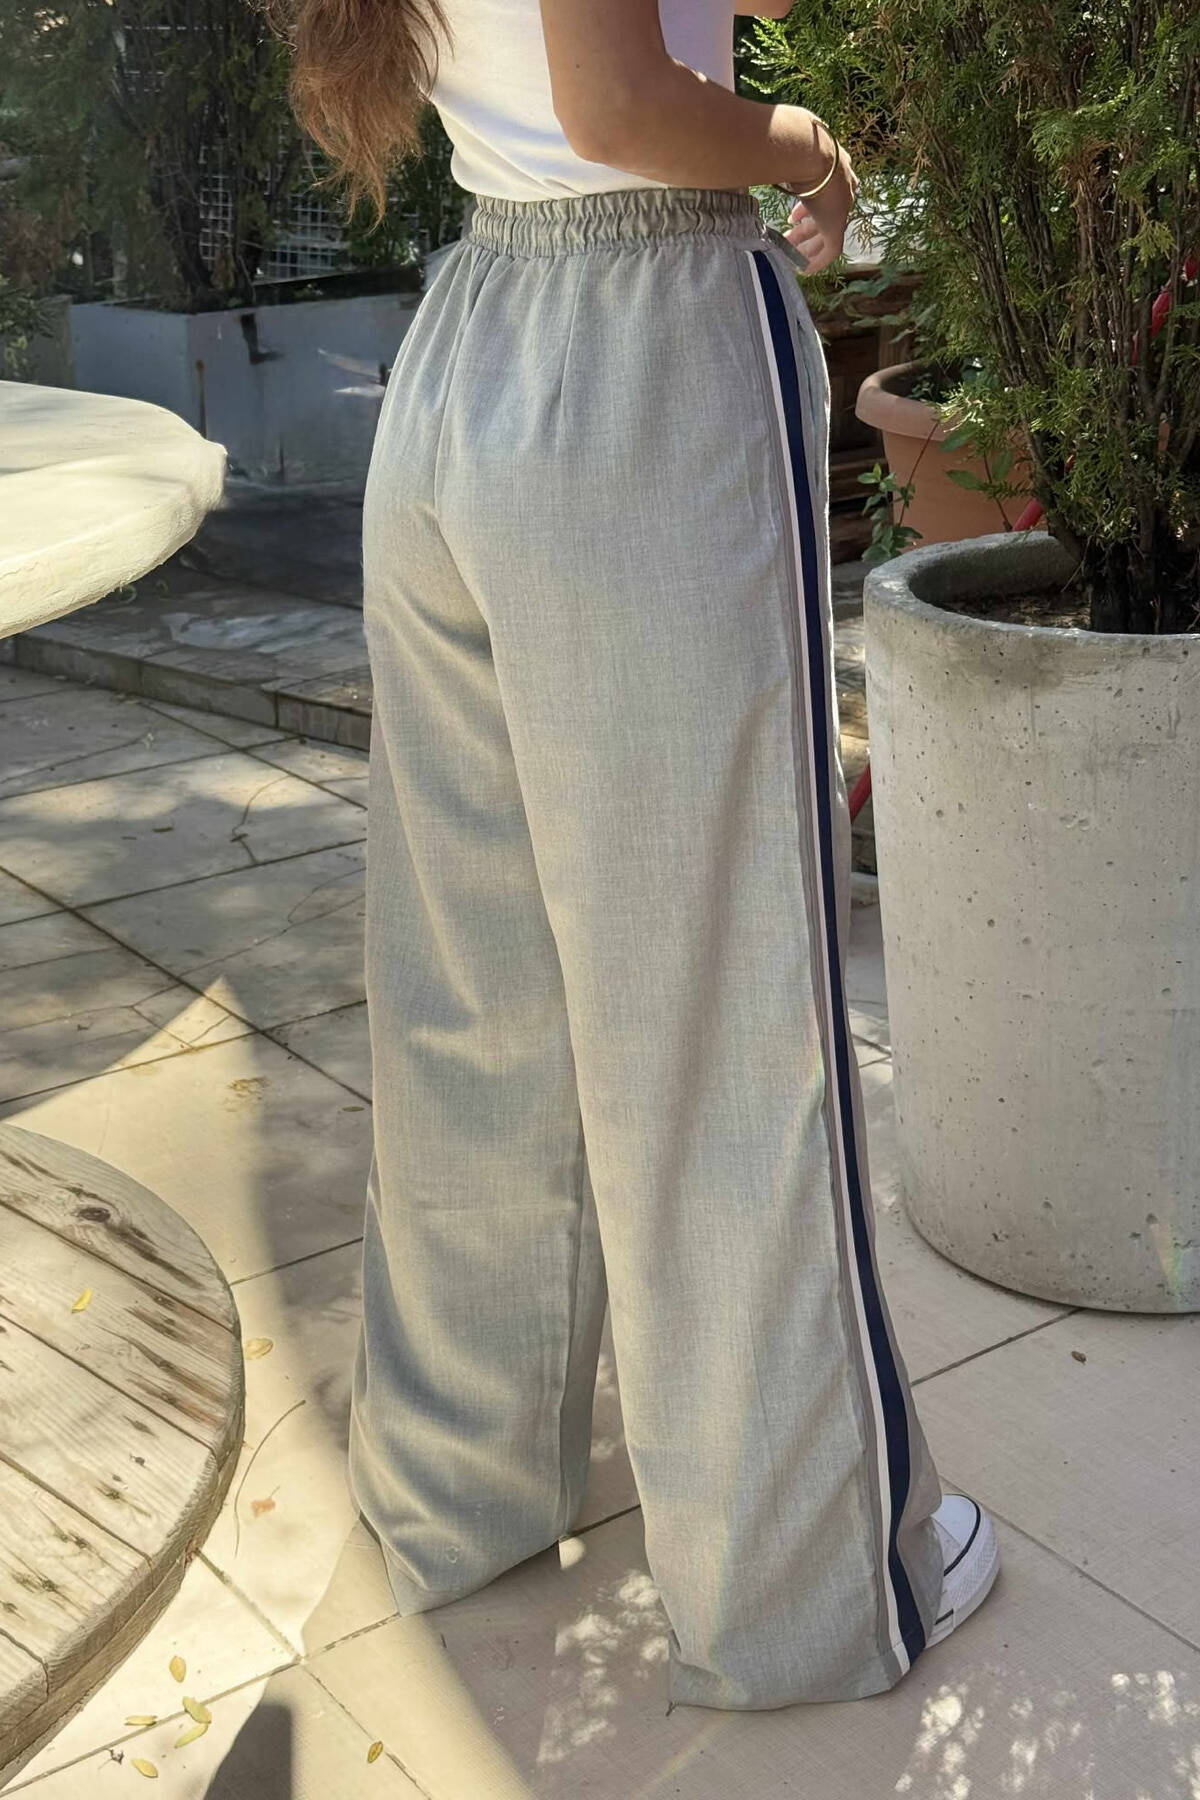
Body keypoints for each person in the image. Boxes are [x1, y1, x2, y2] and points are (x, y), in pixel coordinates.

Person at [279, 0, 1000, 1712]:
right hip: (646, 349)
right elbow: (615, 105)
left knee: (474, 990)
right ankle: (801, 1592)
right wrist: (800, 141)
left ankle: (457, 1494)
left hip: (472, 342)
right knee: (719, 1004)